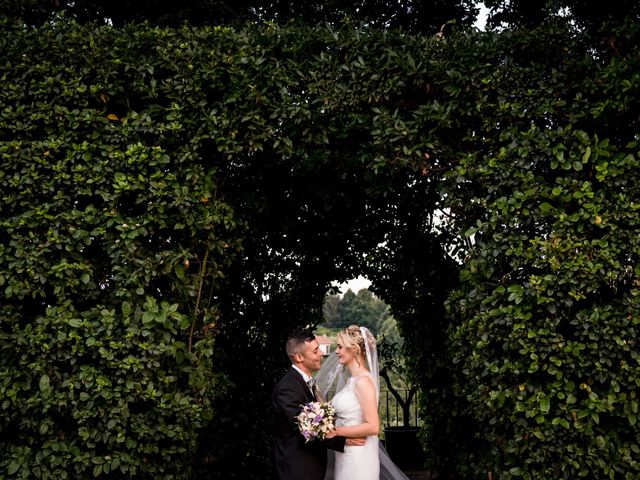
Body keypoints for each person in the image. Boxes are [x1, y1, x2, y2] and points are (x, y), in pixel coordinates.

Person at [319, 325, 409, 480]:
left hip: (358, 458)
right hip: (346, 454)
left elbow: (373, 426)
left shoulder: (363, 382)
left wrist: (336, 432)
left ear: (354, 349)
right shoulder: (352, 380)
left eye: (340, 347)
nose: (336, 351)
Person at [272, 329, 364, 480]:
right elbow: (304, 429)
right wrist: (343, 440)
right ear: (299, 357)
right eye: (315, 351)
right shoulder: (288, 388)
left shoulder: (305, 382)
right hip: (297, 471)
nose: (321, 353)